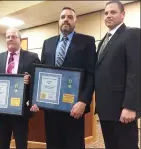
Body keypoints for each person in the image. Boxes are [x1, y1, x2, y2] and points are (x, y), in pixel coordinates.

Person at [31, 7, 97, 149]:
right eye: (62, 17)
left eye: (69, 17)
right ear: (58, 21)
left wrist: (83, 101)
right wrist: (37, 99)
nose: (65, 19)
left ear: (75, 21)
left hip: (74, 107)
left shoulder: (87, 41)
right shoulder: (47, 43)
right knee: (53, 143)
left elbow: (91, 74)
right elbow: (43, 73)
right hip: (50, 107)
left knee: (74, 144)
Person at [0, 27, 40, 149]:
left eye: (14, 36)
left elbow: (38, 80)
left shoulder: (32, 57)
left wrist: (31, 80)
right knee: (2, 144)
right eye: (8, 37)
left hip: (21, 110)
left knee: (21, 144)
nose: (10, 39)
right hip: (1, 110)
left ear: (19, 39)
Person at [95, 1, 140, 149]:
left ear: (123, 14)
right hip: (106, 109)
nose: (108, 16)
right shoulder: (103, 41)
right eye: (106, 13)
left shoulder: (132, 34)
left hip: (122, 110)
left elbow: (135, 71)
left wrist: (130, 106)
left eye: (113, 12)